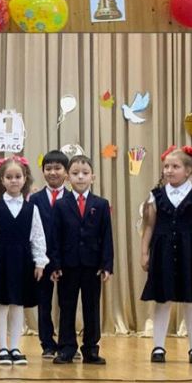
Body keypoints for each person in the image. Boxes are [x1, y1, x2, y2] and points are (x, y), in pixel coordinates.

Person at [140, 145, 192, 364]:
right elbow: (149, 227)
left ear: (188, 170)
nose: (169, 170)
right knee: (162, 300)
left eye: (175, 166)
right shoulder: (156, 196)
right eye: (166, 167)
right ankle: (158, 347)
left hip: (190, 254)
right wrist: (144, 253)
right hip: (162, 254)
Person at [0, 155, 47, 366]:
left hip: (23, 260)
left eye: (18, 176)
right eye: (9, 177)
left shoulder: (31, 208)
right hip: (2, 259)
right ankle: (2, 346)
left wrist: (39, 262)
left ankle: (15, 346)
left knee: (18, 304)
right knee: (2, 304)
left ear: (25, 178)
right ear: (2, 180)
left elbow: (38, 236)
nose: (13, 180)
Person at [49, 154, 113, 365]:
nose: (80, 177)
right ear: (68, 177)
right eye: (75, 173)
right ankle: (66, 348)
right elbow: (55, 236)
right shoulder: (60, 205)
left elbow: (106, 236)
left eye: (85, 173)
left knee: (91, 307)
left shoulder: (101, 204)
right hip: (68, 265)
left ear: (92, 177)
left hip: (92, 266)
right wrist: (55, 264)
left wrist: (106, 265)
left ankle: (91, 349)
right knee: (66, 306)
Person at [30, 150, 70, 359]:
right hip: (41, 259)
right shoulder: (34, 199)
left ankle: (66, 343)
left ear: (66, 172)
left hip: (67, 260)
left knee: (66, 303)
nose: (53, 172)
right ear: (43, 171)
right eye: (48, 168)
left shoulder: (72, 198)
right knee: (43, 302)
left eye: (57, 168)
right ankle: (47, 343)